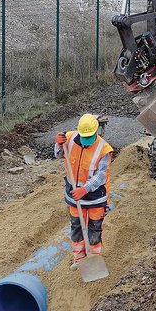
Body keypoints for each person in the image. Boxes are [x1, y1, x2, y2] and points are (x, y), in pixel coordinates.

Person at [55, 113, 114, 266]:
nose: (86, 142)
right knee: (76, 226)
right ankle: (79, 259)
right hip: (74, 195)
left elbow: (101, 176)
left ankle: (94, 259)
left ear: (96, 131)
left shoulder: (104, 149)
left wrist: (85, 189)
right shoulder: (69, 138)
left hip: (95, 196)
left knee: (94, 228)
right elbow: (59, 155)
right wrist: (59, 145)